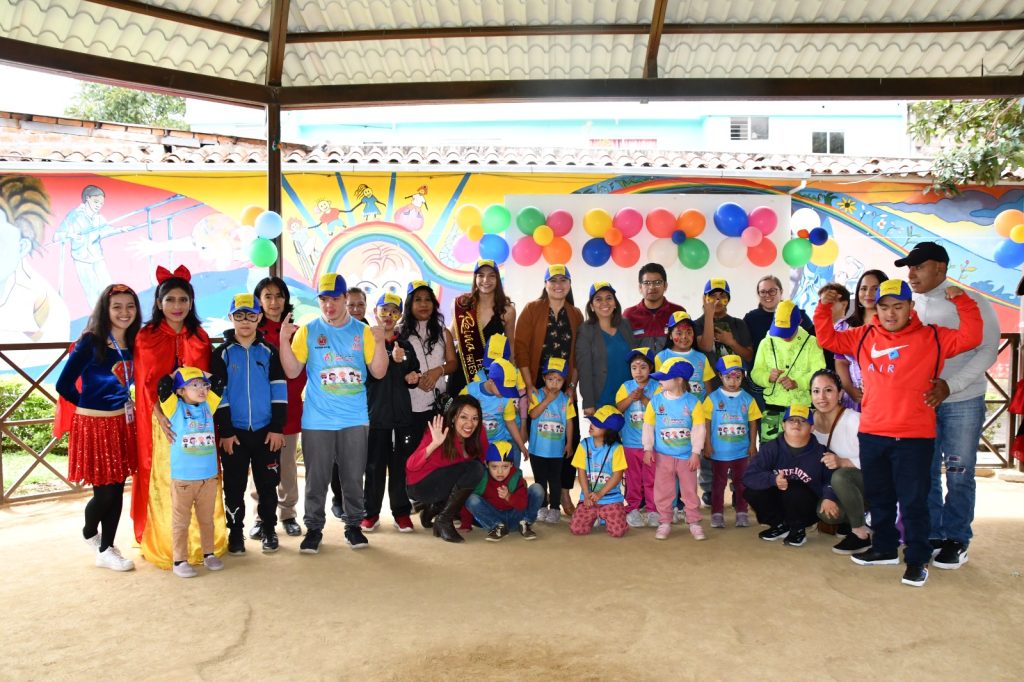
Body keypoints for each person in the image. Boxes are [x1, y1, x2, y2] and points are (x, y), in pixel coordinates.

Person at [815, 278, 982, 587]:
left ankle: (917, 559)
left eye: (898, 306)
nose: (890, 313)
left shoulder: (932, 336)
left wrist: (963, 301)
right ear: (876, 308)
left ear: (910, 307)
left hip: (914, 436)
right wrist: (824, 306)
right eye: (884, 307)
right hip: (873, 432)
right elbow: (827, 338)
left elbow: (972, 337)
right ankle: (885, 548)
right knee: (880, 496)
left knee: (914, 501)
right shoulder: (864, 335)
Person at [898, 242, 1000, 570]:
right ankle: (932, 534)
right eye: (909, 268)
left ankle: (957, 538)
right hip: (922, 404)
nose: (911, 274)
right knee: (925, 472)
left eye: (918, 266)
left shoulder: (970, 301)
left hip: (962, 400)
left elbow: (988, 349)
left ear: (940, 268)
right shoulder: (908, 304)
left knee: (959, 472)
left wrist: (951, 385)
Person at [279, 273, 388, 554]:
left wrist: (380, 343)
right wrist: (283, 340)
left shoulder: (362, 331)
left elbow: (378, 372)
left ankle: (353, 526)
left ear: (345, 299)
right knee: (316, 479)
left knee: (352, 477)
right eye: (324, 299)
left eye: (335, 299)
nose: (329, 305)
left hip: (354, 418)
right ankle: (314, 529)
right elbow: (292, 370)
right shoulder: (308, 331)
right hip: (317, 419)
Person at [132, 264, 224, 569]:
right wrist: (160, 415)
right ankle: (171, 547)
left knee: (202, 479)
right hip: (164, 425)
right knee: (168, 481)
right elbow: (144, 383)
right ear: (159, 303)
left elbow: (207, 386)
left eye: (183, 300)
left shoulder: (200, 337)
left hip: (198, 425)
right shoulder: (145, 337)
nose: (176, 306)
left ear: (191, 302)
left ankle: (204, 547)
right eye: (170, 299)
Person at [55, 283, 140, 572]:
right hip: (93, 425)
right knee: (104, 493)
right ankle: (90, 532)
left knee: (117, 488)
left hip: (121, 423)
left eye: (130, 306)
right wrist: (87, 408)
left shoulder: (135, 340)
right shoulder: (91, 341)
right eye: (117, 307)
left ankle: (107, 548)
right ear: (106, 309)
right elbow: (63, 384)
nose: (124, 312)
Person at [210, 294, 287, 555]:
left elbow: (279, 391)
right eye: (239, 315)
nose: (245, 321)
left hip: (266, 433)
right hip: (235, 435)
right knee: (234, 486)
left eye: (251, 315)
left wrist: (276, 428)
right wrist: (226, 432)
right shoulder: (221, 354)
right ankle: (235, 532)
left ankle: (269, 528)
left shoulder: (269, 352)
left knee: (268, 485)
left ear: (259, 317)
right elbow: (219, 396)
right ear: (230, 318)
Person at [514, 264, 584, 516]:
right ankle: (541, 495)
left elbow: (578, 355)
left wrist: (572, 386)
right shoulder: (532, 309)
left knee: (569, 439)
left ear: (569, 284)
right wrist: (529, 384)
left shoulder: (575, 314)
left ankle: (563, 492)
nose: (558, 285)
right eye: (553, 280)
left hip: (564, 390)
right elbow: (521, 348)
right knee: (540, 439)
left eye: (563, 280)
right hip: (538, 387)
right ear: (545, 284)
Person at [156, 367, 226, 578]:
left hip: (208, 478)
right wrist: (176, 372)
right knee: (181, 521)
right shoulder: (173, 408)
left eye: (203, 385)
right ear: (180, 391)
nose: (201, 389)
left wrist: (201, 373)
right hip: (183, 479)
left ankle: (209, 554)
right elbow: (163, 386)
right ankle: (180, 560)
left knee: (206, 519)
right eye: (193, 385)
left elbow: (219, 381)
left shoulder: (209, 405)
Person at [361, 292, 421, 533]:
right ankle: (370, 513)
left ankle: (401, 513)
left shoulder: (406, 345)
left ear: (400, 316)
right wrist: (387, 355)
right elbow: (364, 375)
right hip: (375, 417)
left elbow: (414, 374)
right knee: (373, 468)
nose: (388, 316)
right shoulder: (367, 342)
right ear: (375, 312)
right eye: (384, 310)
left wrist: (412, 377)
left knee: (400, 468)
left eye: (394, 311)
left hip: (401, 419)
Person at [250, 277, 305, 539]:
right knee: (259, 465)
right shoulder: (251, 331)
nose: (274, 302)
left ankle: (288, 514)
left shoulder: (297, 332)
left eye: (279, 296)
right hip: (257, 411)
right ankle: (261, 516)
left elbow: (300, 372)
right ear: (259, 301)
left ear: (286, 299)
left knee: (287, 466)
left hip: (289, 408)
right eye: (267, 296)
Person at [743, 405, 833, 548]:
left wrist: (829, 497)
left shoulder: (821, 452)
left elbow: (831, 479)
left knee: (794, 488)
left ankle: (798, 528)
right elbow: (749, 476)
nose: (796, 423)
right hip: (780, 502)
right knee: (752, 490)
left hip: (808, 506)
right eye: (791, 420)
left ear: (812, 428)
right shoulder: (771, 448)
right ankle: (780, 525)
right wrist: (772, 479)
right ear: (783, 425)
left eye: (802, 420)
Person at [406, 395, 488, 543]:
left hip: (443, 483)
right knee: (474, 469)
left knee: (477, 471)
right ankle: (443, 520)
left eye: (475, 418)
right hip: (419, 485)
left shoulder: (479, 432)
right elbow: (410, 466)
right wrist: (434, 444)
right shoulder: (440, 431)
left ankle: (432, 509)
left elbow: (483, 460)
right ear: (453, 417)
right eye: (464, 417)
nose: (470, 423)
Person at [643, 357, 707, 541]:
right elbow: (648, 426)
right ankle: (664, 521)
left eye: (664, 377)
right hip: (663, 456)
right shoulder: (655, 402)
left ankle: (694, 521)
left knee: (689, 490)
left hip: (687, 457)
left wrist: (695, 452)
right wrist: (648, 448)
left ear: (679, 379)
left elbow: (699, 429)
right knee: (663, 491)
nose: (660, 380)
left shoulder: (693, 403)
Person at [809, 368, 869, 555]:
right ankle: (849, 519)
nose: (822, 397)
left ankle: (861, 533)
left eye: (828, 390)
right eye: (816, 391)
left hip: (866, 483)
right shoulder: (807, 423)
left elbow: (878, 459)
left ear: (840, 393)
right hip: (830, 486)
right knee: (825, 513)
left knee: (841, 476)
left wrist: (843, 462)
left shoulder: (855, 420)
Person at [751, 300, 826, 441]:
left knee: (800, 450)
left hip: (801, 409)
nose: (784, 336)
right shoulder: (766, 343)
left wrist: (797, 383)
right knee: (769, 451)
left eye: (788, 332)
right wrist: (767, 377)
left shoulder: (812, 343)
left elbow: (819, 375)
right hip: (772, 409)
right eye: (780, 331)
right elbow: (756, 373)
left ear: (800, 322)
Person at [703, 355, 761, 529]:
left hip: (741, 452)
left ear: (743, 377)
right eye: (728, 377)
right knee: (718, 483)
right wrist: (707, 444)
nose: (733, 381)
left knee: (741, 483)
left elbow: (753, 422)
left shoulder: (748, 399)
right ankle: (717, 514)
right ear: (720, 376)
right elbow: (706, 422)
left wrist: (752, 445)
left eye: (737, 377)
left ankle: (742, 512)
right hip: (719, 452)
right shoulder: (712, 398)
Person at [449, 259, 517, 396]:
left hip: (489, 374)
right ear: (475, 278)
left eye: (491, 275)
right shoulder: (462, 304)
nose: (486, 280)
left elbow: (510, 343)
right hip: (462, 369)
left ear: (497, 279)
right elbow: (452, 336)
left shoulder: (507, 310)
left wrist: (514, 374)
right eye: (481, 275)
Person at [615, 347, 659, 528]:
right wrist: (630, 398)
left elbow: (659, 411)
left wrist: (643, 399)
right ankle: (632, 508)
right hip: (631, 443)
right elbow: (619, 408)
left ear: (651, 368)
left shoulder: (658, 387)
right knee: (633, 478)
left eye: (643, 367)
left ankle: (653, 509)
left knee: (652, 478)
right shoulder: (625, 387)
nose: (638, 372)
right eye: (634, 368)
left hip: (651, 444)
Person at [568, 406, 629, 537]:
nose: (592, 425)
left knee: (618, 532)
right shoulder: (584, 444)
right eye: (593, 421)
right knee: (576, 529)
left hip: (610, 498)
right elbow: (581, 472)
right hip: (589, 498)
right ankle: (597, 516)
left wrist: (600, 494)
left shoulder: (617, 449)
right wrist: (586, 494)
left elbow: (617, 475)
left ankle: (605, 516)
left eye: (597, 424)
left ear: (609, 431)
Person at [527, 357, 575, 523]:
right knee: (540, 480)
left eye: (559, 380)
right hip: (537, 449)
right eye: (550, 379)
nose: (554, 383)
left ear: (564, 381)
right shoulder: (536, 395)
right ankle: (542, 506)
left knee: (555, 479)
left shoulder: (566, 400)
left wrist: (569, 443)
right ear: (543, 378)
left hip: (556, 450)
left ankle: (555, 507)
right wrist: (547, 400)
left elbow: (569, 422)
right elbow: (533, 414)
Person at [576, 281, 634, 417]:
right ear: (591, 306)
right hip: (602, 397)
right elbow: (584, 369)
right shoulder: (586, 330)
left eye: (609, 298)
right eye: (598, 299)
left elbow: (635, 357)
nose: (604, 303)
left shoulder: (625, 324)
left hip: (629, 396)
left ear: (615, 303)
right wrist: (588, 402)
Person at [465, 442, 544, 541]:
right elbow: (474, 504)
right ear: (486, 464)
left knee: (537, 488)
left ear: (511, 465)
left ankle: (526, 523)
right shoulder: (483, 478)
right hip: (495, 518)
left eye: (505, 466)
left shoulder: (516, 478)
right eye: (494, 467)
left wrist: (509, 496)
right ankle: (497, 527)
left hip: (517, 518)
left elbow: (522, 505)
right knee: (471, 498)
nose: (500, 472)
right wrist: (466, 524)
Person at [833, 269, 888, 409]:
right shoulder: (845, 326)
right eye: (863, 288)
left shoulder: (892, 327)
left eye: (875, 288)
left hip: (885, 398)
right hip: (853, 399)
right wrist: (850, 389)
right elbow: (841, 361)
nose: (868, 293)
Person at [461, 358, 527, 466]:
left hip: (498, 445)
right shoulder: (470, 391)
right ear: (491, 381)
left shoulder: (506, 397)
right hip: (475, 444)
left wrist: (521, 446)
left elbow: (510, 422)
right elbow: (458, 419)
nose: (505, 393)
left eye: (508, 390)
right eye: (503, 389)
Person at [743, 275, 814, 360]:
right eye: (763, 292)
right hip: (760, 367)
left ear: (781, 291)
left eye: (772, 291)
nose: (767, 295)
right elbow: (746, 351)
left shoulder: (798, 315)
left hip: (796, 367)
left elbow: (813, 344)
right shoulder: (750, 319)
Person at [622, 262, 685, 349]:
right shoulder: (629, 315)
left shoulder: (678, 312)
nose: (652, 287)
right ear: (640, 287)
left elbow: (686, 345)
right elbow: (623, 347)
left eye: (657, 282)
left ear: (665, 286)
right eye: (647, 283)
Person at [695, 278, 754, 368]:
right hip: (710, 377)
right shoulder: (697, 324)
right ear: (705, 298)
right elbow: (706, 347)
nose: (718, 300)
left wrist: (732, 343)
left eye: (722, 296)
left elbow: (749, 357)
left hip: (735, 376)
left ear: (728, 299)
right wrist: (709, 315)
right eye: (713, 295)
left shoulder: (739, 324)